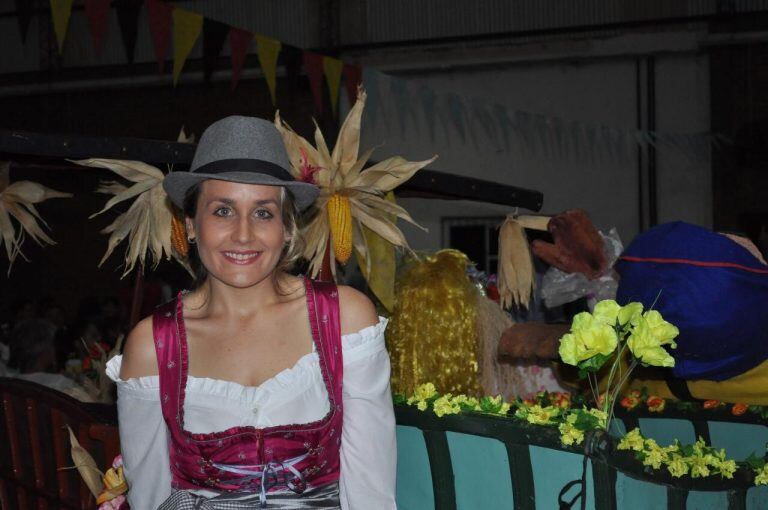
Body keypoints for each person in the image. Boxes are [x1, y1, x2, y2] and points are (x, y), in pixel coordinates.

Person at [106, 116, 397, 509]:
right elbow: (152, 496)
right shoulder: (153, 344)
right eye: (223, 211)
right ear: (191, 225)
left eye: (263, 213)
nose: (243, 234)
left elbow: (371, 486)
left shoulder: (344, 319)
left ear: (288, 228)